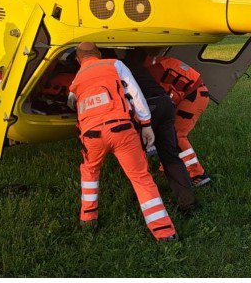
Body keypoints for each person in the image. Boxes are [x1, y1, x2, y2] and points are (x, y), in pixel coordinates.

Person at [68, 42, 178, 242]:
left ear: (77, 60)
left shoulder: (75, 81)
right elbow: (135, 93)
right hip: (121, 130)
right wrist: (145, 123)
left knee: (90, 173)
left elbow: (72, 102)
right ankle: (164, 232)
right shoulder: (114, 65)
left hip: (91, 136)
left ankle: (88, 219)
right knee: (141, 178)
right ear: (99, 54)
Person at [122, 48, 198, 212]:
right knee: (171, 156)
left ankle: (145, 201)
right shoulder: (138, 68)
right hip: (165, 104)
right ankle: (188, 203)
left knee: (138, 159)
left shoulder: (112, 68)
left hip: (147, 106)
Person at [145, 53, 212, 187]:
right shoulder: (153, 62)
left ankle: (197, 174)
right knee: (168, 131)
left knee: (177, 135)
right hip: (193, 93)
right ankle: (165, 166)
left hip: (193, 96)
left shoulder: (151, 70)